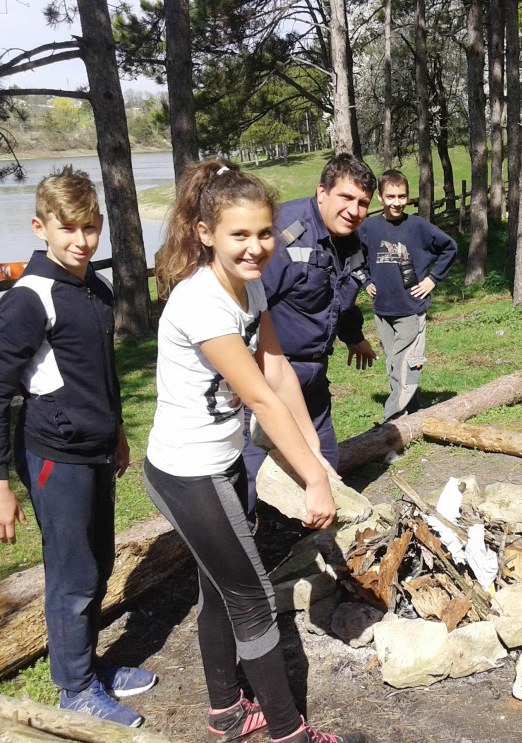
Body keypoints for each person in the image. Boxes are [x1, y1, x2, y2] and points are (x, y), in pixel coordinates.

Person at [144, 157, 365, 743]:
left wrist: (315, 456)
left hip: (217, 462)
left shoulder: (251, 286)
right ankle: (289, 733)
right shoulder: (201, 303)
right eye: (239, 235)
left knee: (220, 588)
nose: (255, 247)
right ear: (205, 234)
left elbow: (278, 370)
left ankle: (225, 713)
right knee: (254, 600)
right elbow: (261, 400)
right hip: (187, 473)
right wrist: (314, 481)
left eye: (264, 233)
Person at [0, 166, 156, 727]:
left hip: (97, 452)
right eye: (69, 229)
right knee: (72, 575)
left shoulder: (91, 287)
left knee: (99, 565)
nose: (82, 241)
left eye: (92, 227)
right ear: (40, 227)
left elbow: (100, 373)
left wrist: (119, 431)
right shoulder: (29, 300)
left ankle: (88, 665)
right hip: (55, 458)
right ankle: (74, 687)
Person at [241, 153, 378, 515]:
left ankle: (308, 552)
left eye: (363, 203)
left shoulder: (352, 243)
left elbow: (343, 297)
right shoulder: (285, 233)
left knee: (326, 460)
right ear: (322, 192)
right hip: (268, 373)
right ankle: (248, 557)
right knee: (251, 478)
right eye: (346, 198)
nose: (354, 209)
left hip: (314, 376)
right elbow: (250, 304)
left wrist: (353, 337)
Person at [357, 169, 457, 422]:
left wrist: (432, 279)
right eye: (391, 196)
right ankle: (412, 412)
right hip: (383, 311)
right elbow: (354, 258)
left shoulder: (418, 226)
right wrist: (365, 280)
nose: (397, 202)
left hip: (411, 308)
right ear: (380, 197)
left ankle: (392, 420)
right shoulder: (368, 228)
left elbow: (450, 247)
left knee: (407, 364)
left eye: (402, 196)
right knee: (395, 364)